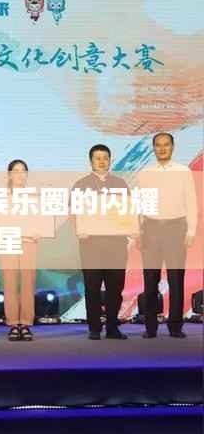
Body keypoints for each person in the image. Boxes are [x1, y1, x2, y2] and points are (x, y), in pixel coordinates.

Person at [137, 132, 197, 339]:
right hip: (151, 228)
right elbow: (141, 204)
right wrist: (138, 230)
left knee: (176, 279)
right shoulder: (145, 172)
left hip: (176, 227)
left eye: (166, 145)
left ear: (173, 147)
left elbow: (191, 201)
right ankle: (150, 327)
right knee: (150, 280)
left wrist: (191, 231)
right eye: (158, 145)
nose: (162, 148)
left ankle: (175, 326)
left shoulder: (183, 171)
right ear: (153, 148)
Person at [71, 145, 130, 340]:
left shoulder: (120, 184)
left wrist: (131, 229)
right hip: (91, 245)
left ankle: (112, 327)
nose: (102, 161)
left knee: (115, 288)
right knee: (92, 288)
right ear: (91, 161)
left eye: (105, 157)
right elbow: (74, 213)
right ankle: (94, 328)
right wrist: (79, 230)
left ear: (110, 160)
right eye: (97, 158)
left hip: (116, 244)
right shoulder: (81, 184)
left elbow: (128, 212)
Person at [0, 159, 38, 341]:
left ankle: (26, 323)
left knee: (28, 283)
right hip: (8, 242)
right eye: (16, 171)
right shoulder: (1, 197)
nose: (20, 174)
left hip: (29, 243)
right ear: (9, 174)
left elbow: (41, 222)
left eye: (23, 171)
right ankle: (13, 323)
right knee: (9, 283)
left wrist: (39, 232)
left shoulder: (34, 197)